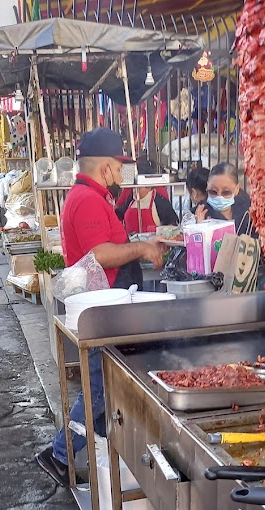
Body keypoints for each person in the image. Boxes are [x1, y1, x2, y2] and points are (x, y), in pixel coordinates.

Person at [36, 127, 166, 488]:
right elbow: (100, 254)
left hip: (105, 306)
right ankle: (59, 455)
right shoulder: (88, 199)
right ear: (106, 167)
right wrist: (142, 249)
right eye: (120, 167)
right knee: (98, 391)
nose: (122, 175)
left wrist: (141, 241)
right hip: (101, 308)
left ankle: (104, 454)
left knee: (103, 389)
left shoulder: (90, 195)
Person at [116, 156, 178, 234]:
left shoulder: (159, 201)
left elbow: (173, 223)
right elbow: (118, 215)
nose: (135, 191)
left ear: (148, 187)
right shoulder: (130, 199)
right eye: (133, 188)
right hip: (131, 243)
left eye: (138, 188)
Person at [196, 162, 256, 236]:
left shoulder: (248, 213)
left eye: (226, 192)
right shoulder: (199, 213)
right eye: (213, 192)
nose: (219, 197)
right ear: (207, 187)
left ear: (237, 189)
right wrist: (197, 229)